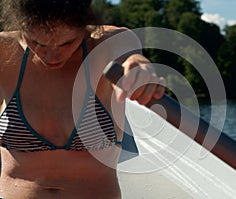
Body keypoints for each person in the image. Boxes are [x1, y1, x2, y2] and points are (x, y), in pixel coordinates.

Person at [0, 0, 165, 198]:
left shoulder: (108, 43)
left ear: (85, 25)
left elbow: (131, 57)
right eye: (37, 43)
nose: (52, 56)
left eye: (66, 43)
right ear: (22, 27)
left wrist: (139, 68)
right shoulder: (4, 50)